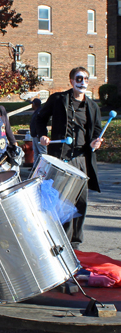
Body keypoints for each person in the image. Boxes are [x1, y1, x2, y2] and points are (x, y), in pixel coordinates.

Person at [37, 66, 103, 249]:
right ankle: (61, 243)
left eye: (86, 79)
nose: (82, 82)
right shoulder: (58, 100)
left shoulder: (92, 106)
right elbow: (39, 118)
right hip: (61, 158)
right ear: (71, 81)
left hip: (81, 159)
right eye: (79, 79)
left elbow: (97, 130)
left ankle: (75, 244)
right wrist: (42, 135)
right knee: (62, 202)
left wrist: (96, 142)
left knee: (81, 202)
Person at [29, 98, 46, 165]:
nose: (32, 106)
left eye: (32, 104)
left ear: (34, 104)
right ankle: (35, 167)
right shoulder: (36, 112)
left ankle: (44, 166)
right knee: (36, 152)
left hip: (38, 135)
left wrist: (40, 134)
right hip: (34, 135)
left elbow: (40, 124)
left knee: (42, 152)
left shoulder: (39, 112)